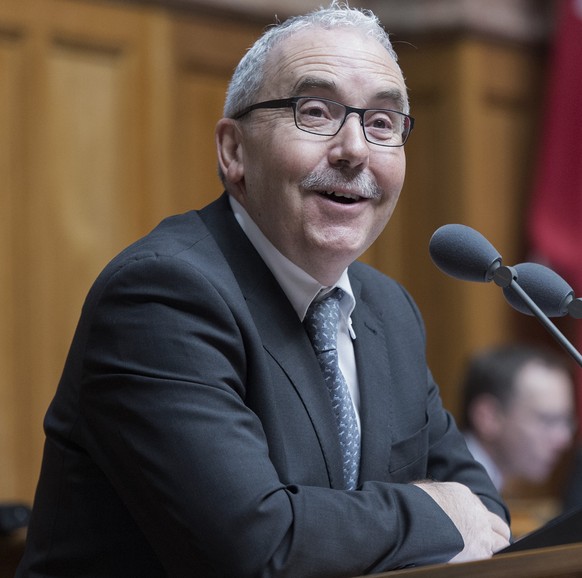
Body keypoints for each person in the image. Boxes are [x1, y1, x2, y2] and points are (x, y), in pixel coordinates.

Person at [16, 3, 511, 576]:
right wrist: (437, 510)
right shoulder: (161, 296)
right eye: (316, 111)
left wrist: (443, 511)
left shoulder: (387, 310)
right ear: (234, 152)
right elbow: (256, 546)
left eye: (381, 123)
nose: (354, 149)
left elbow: (487, 513)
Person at [460, 343, 576, 493]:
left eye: (566, 421)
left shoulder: (482, 483)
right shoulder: (453, 488)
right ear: (488, 417)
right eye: (548, 421)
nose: (564, 440)